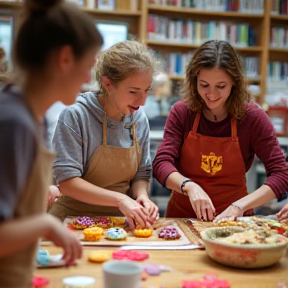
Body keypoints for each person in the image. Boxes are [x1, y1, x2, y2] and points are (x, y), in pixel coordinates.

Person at [0, 0, 103, 286]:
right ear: (65, 58)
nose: (87, 80)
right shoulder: (13, 121)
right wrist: (45, 224)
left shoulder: (33, 115)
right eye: (88, 66)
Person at [152, 40, 288, 222]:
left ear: (234, 82)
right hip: (183, 218)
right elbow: (161, 164)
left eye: (220, 86)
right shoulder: (183, 112)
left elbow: (281, 175)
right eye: (204, 85)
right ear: (194, 80)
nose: (212, 94)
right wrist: (188, 186)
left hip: (235, 220)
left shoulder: (252, 117)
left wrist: (240, 205)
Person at [48, 40, 159, 228]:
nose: (142, 101)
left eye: (147, 91)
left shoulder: (138, 119)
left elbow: (142, 173)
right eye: (134, 91)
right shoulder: (76, 115)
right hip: (70, 220)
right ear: (108, 84)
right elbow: (67, 182)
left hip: (122, 223)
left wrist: (141, 197)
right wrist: (120, 200)